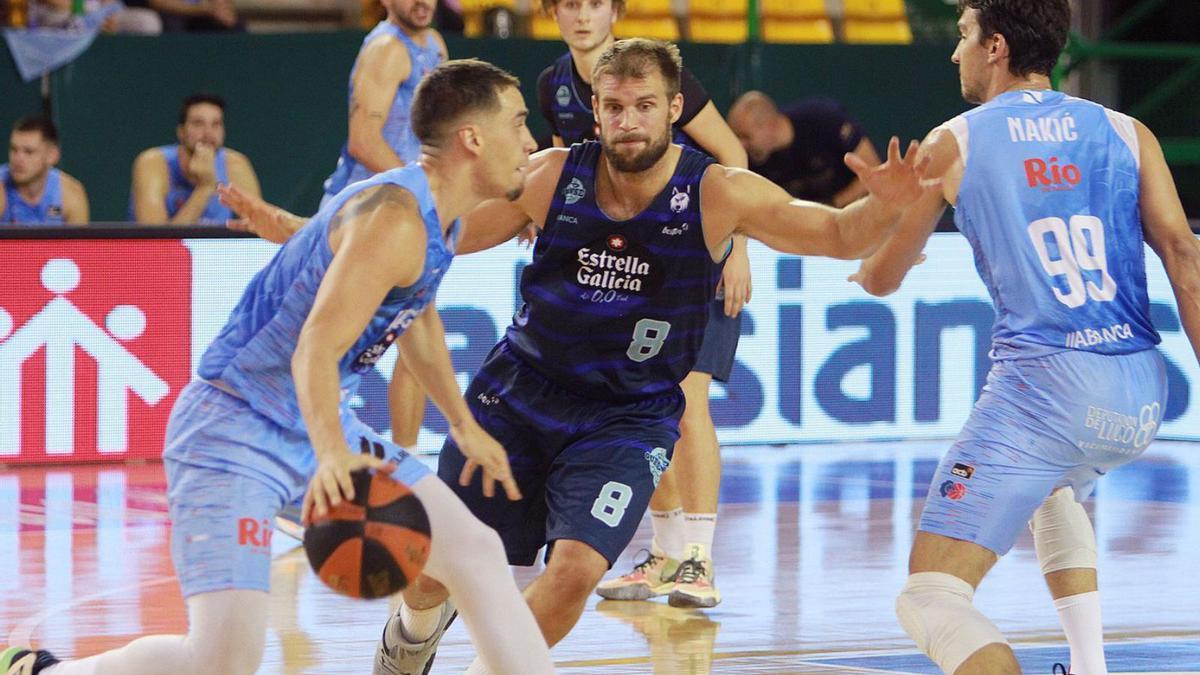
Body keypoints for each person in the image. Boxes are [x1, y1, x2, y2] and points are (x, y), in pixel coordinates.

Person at [379, 38, 931, 675]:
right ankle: (411, 633)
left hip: (628, 417)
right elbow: (439, 239)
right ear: (595, 109)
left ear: (674, 108)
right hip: (520, 396)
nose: (628, 121)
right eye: (614, 106)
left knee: (576, 572)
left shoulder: (718, 192)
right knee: (435, 574)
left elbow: (838, 234)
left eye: (644, 105)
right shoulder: (553, 175)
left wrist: (885, 204)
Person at [0, 59, 555, 675]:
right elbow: (313, 348)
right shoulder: (395, 217)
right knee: (222, 659)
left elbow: (416, 312)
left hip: (311, 419)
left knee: (475, 551)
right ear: (472, 139)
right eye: (519, 122)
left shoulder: (439, 214)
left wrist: (461, 422)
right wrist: (336, 455)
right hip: (231, 428)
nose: (531, 142)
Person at [848, 2, 1200, 673]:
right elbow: (1185, 258)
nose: (955, 54)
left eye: (962, 37)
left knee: (931, 596)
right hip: (1141, 393)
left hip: (1046, 390)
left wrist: (870, 267)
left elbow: (884, 276)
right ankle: (1091, 664)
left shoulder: (954, 140)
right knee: (1052, 487)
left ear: (996, 47)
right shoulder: (1129, 132)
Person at [536, 0, 752, 609]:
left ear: (616, 10)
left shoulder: (656, 75)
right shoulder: (555, 84)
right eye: (569, 4)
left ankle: (700, 560)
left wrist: (736, 251)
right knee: (637, 408)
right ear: (551, 13)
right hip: (625, 274)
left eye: (594, 3)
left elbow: (732, 156)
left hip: (693, 258)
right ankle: (665, 553)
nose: (581, 16)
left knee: (688, 403)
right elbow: (568, 183)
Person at [321, 0, 447, 461]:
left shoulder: (433, 44)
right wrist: (423, 193)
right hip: (363, 214)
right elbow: (363, 139)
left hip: (405, 213)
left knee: (414, 327)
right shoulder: (385, 51)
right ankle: (317, 458)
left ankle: (406, 460)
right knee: (339, 343)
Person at [728, 91, 879, 207]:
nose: (741, 145)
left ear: (769, 126)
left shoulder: (822, 120)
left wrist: (833, 206)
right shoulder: (749, 159)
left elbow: (873, 171)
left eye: (745, 136)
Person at [130, 93, 260, 226]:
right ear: (181, 132)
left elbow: (259, 230)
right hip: (170, 247)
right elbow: (155, 243)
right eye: (198, 124)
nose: (208, 133)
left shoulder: (235, 166)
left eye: (216, 124)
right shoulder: (153, 163)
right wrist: (204, 188)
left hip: (217, 247)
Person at [1, 116, 89, 225]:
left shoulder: (70, 195)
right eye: (14, 149)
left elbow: (78, 242)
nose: (18, 159)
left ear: (52, 156)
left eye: (29, 152)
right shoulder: (2, 188)